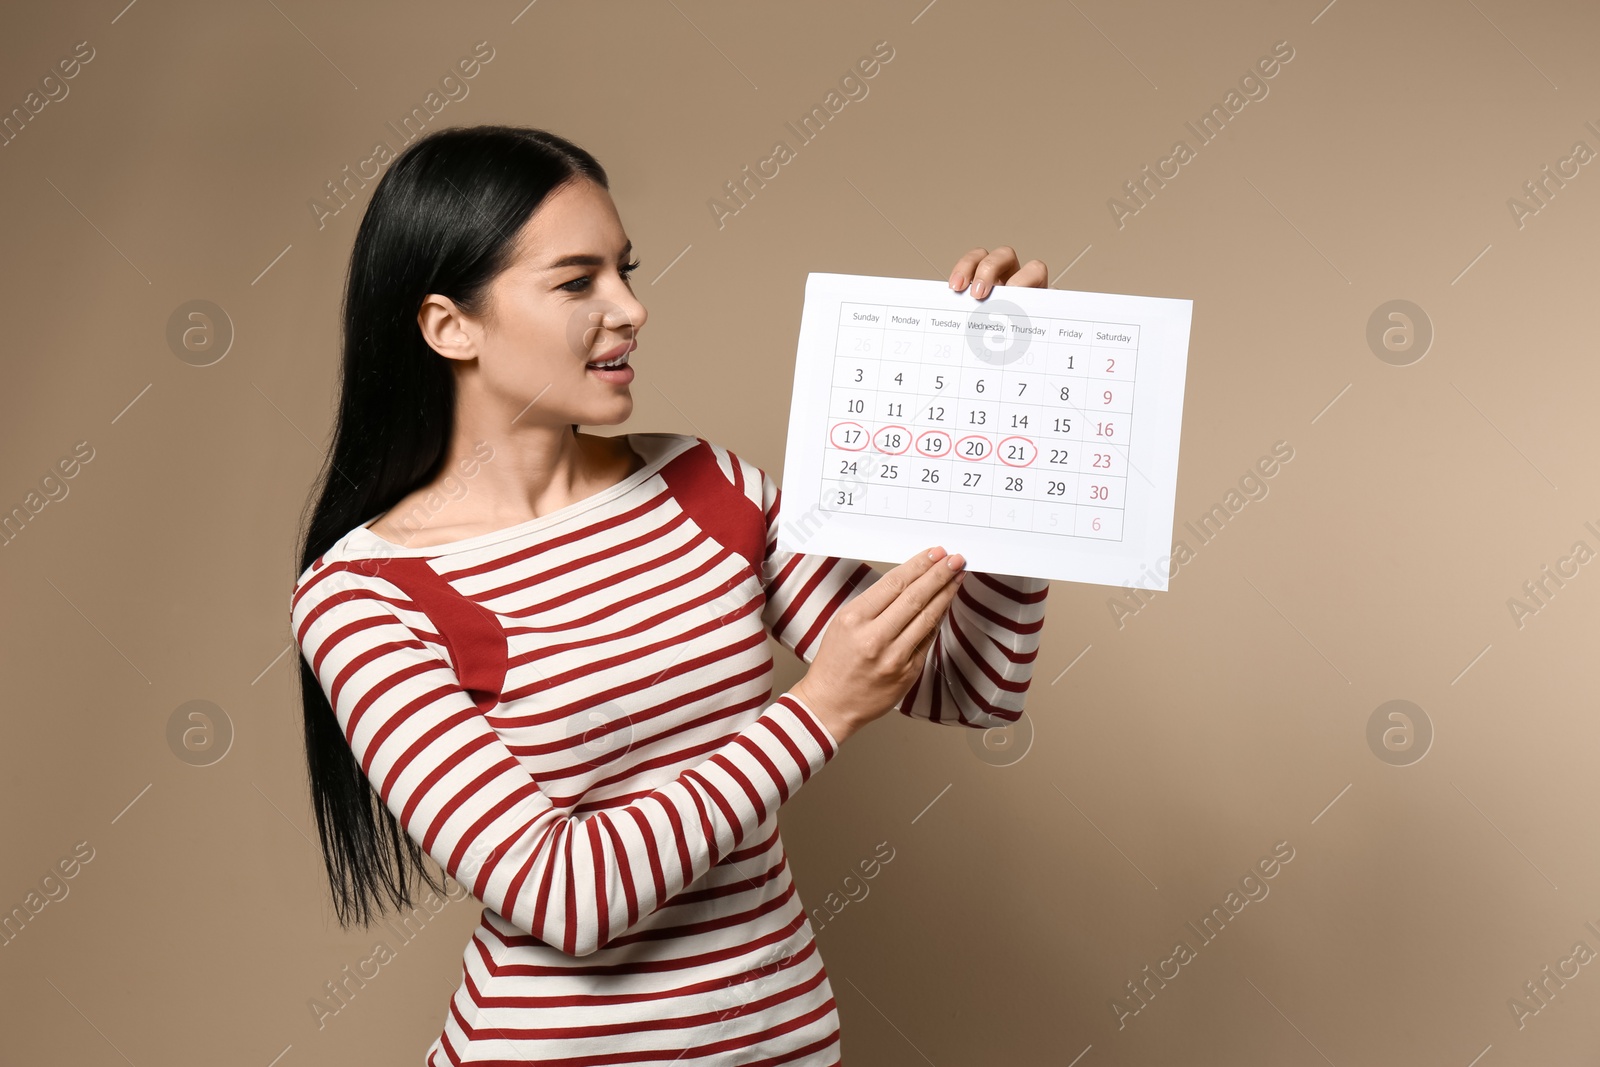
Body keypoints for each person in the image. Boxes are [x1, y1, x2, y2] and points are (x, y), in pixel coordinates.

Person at [290, 124, 1050, 1066]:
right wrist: (815, 712)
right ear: (450, 325)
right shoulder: (369, 595)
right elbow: (564, 896)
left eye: (625, 270)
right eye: (577, 282)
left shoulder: (708, 485)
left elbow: (964, 688)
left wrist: (1017, 416)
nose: (632, 308)